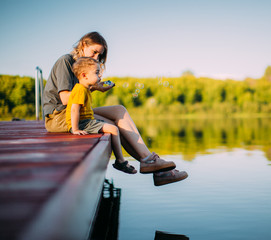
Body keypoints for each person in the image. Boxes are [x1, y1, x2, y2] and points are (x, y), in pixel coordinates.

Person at [43, 31, 188, 186]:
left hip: (72, 113)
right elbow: (66, 99)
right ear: (84, 45)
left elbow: (77, 99)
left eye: (99, 56)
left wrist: (95, 87)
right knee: (112, 124)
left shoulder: (83, 67)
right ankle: (152, 164)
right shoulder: (66, 61)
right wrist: (96, 88)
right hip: (58, 116)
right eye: (94, 52)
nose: (96, 58)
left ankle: (151, 162)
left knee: (119, 110)